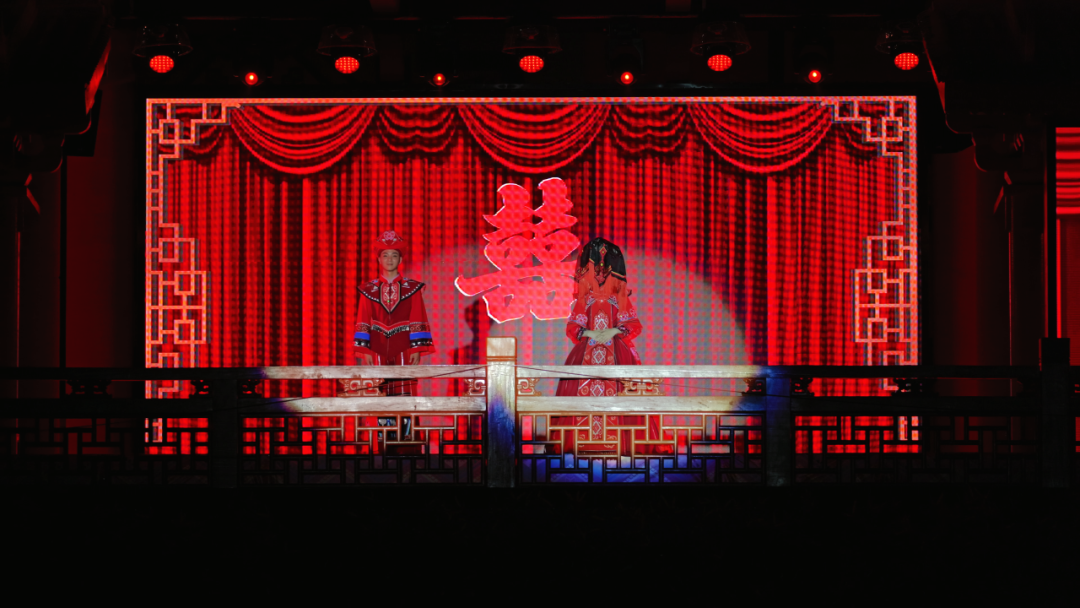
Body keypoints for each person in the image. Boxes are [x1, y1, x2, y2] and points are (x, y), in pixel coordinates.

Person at [556, 237, 642, 396]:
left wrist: (613, 331)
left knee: (621, 394)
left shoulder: (619, 297)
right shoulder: (585, 299)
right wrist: (590, 333)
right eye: (596, 269)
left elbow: (633, 324)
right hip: (588, 347)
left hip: (617, 350)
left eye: (604, 269)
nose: (600, 274)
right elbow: (574, 326)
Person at [353, 230, 434, 397]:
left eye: (394, 255)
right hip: (377, 346)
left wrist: (416, 348)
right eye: (385, 255)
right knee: (379, 392)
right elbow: (363, 319)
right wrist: (366, 350)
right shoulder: (368, 289)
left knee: (404, 391)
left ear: (400, 259)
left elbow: (417, 317)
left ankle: (405, 415)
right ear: (378, 259)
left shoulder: (413, 288)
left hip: (404, 345)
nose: (389, 259)